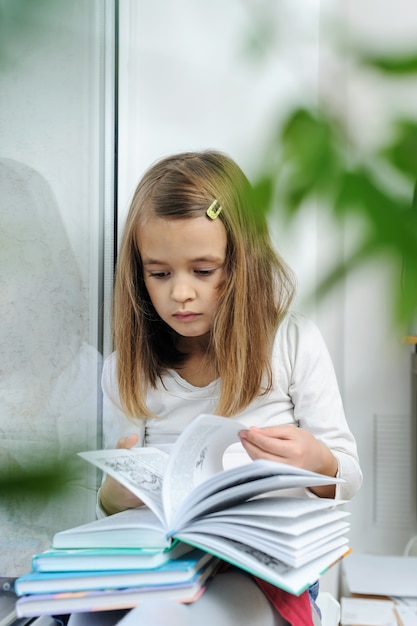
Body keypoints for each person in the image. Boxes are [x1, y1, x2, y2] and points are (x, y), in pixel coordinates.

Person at [70, 150, 362, 626]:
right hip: (167, 561)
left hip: (267, 569)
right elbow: (112, 506)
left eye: (203, 271)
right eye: (159, 273)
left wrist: (319, 463)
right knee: (80, 618)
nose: (180, 292)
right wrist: (111, 497)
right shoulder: (126, 369)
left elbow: (348, 477)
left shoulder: (292, 342)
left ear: (241, 264)